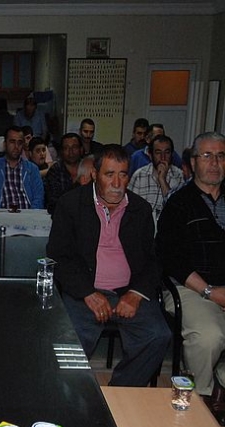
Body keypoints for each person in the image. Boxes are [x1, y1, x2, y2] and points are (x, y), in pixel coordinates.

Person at [47, 144, 171, 386]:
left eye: (123, 174)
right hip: (85, 292)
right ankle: (71, 394)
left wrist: (135, 294)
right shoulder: (71, 204)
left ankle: (121, 391)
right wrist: (87, 293)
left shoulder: (140, 209)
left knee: (157, 335)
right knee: (69, 341)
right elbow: (58, 256)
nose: (117, 183)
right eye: (109, 174)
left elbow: (153, 260)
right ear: (94, 174)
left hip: (127, 292)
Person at [156, 132, 225, 418]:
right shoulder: (179, 203)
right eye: (207, 156)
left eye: (221, 156)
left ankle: (222, 379)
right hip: (192, 288)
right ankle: (201, 402)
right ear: (193, 162)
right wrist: (210, 291)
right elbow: (170, 259)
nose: (215, 163)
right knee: (209, 336)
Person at [128, 134, 185, 224]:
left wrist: (162, 180)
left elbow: (177, 210)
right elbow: (130, 208)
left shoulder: (179, 176)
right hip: (143, 226)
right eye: (158, 153)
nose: (163, 157)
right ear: (150, 155)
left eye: (167, 152)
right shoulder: (139, 175)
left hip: (168, 226)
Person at [0, 126, 45, 209]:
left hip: (27, 214)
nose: (16, 146)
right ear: (5, 144)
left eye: (19, 143)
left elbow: (39, 198)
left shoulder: (32, 169)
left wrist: (30, 215)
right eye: (12, 142)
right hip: (2, 215)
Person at [44, 133, 84, 214]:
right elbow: (53, 201)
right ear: (61, 151)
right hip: (61, 215)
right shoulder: (55, 170)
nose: (71, 152)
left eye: (74, 147)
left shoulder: (89, 168)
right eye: (66, 148)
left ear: (81, 149)